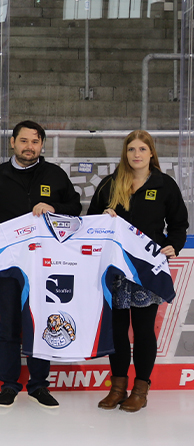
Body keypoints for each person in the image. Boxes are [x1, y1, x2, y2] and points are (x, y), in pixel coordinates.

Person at [0, 120, 82, 408]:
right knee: (10, 324)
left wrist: (54, 208)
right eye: (24, 141)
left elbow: (75, 209)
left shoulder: (54, 174)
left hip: (47, 264)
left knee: (42, 322)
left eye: (35, 142)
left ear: (41, 145)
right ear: (13, 142)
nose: (30, 147)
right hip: (9, 263)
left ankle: (39, 385)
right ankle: (10, 384)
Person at [87, 130, 188, 412]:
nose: (136, 154)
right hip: (115, 269)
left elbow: (179, 224)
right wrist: (101, 217)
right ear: (125, 153)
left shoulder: (164, 185)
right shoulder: (110, 183)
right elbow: (90, 221)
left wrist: (173, 246)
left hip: (147, 269)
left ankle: (140, 390)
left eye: (142, 149)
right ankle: (118, 387)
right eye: (131, 149)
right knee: (117, 329)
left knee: (143, 330)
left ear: (151, 153)